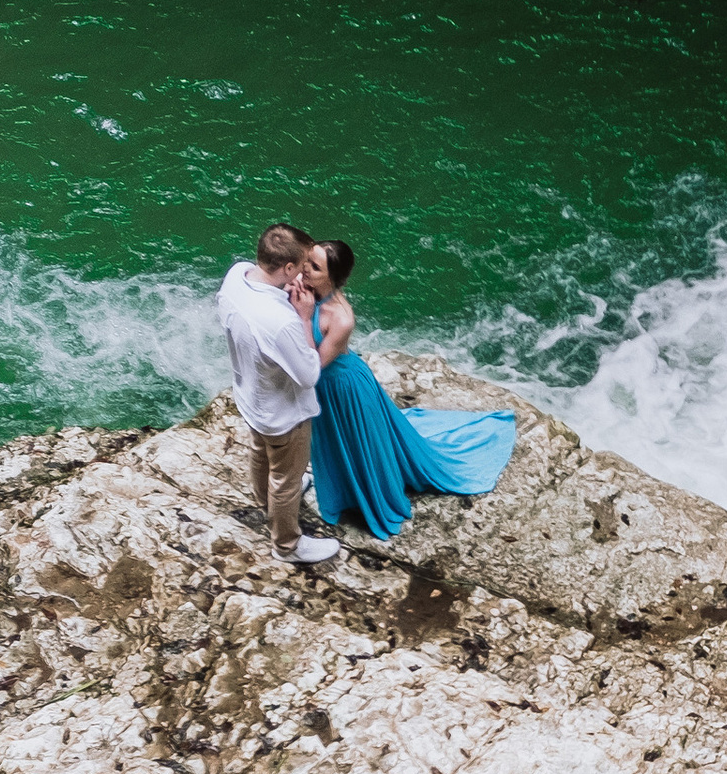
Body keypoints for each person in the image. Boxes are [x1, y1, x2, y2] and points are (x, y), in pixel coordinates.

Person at [297, 238, 518, 536]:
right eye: (307, 261)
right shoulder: (304, 288)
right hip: (326, 389)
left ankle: (366, 494)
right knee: (336, 443)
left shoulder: (341, 318)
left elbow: (314, 365)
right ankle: (342, 490)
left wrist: (303, 317)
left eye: (315, 266)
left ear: (333, 278)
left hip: (345, 389)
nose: (305, 269)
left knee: (359, 445)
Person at [216, 225, 341, 567]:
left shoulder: (237, 274)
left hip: (249, 395)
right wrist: (303, 316)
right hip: (282, 412)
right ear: (287, 269)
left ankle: (263, 500)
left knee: (259, 452)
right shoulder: (280, 320)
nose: (304, 272)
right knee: (287, 478)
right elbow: (308, 374)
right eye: (301, 266)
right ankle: (287, 545)